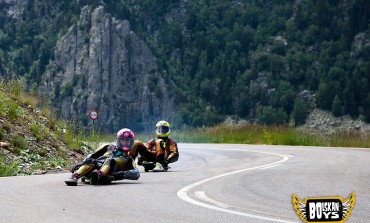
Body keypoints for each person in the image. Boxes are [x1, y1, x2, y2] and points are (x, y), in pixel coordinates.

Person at [64, 128, 140, 186]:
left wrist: (120, 175)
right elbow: (92, 155)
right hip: (96, 166)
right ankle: (75, 176)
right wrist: (80, 164)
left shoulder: (129, 159)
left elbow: (136, 174)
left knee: (110, 160)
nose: (125, 142)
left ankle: (99, 175)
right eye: (123, 140)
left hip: (110, 171)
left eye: (128, 140)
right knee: (92, 161)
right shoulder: (108, 147)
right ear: (118, 140)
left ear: (131, 142)